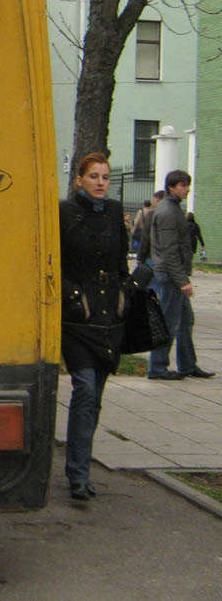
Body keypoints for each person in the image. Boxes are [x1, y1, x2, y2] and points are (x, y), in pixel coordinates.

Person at [60, 153, 130, 501]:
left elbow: (122, 262)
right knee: (85, 388)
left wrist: (125, 294)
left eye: (105, 177)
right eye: (93, 177)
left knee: (96, 396)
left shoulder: (115, 212)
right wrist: (73, 296)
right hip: (77, 316)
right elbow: (54, 259)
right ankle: (78, 475)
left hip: (108, 316)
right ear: (79, 181)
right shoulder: (65, 213)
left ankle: (80, 467)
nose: (101, 182)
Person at [147, 171, 216, 380]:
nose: (187, 189)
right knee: (169, 321)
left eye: (187, 185)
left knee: (186, 320)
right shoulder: (168, 212)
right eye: (183, 185)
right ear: (171, 187)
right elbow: (169, 252)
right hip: (170, 277)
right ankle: (157, 367)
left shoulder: (174, 208)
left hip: (174, 276)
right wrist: (182, 281)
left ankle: (187, 364)